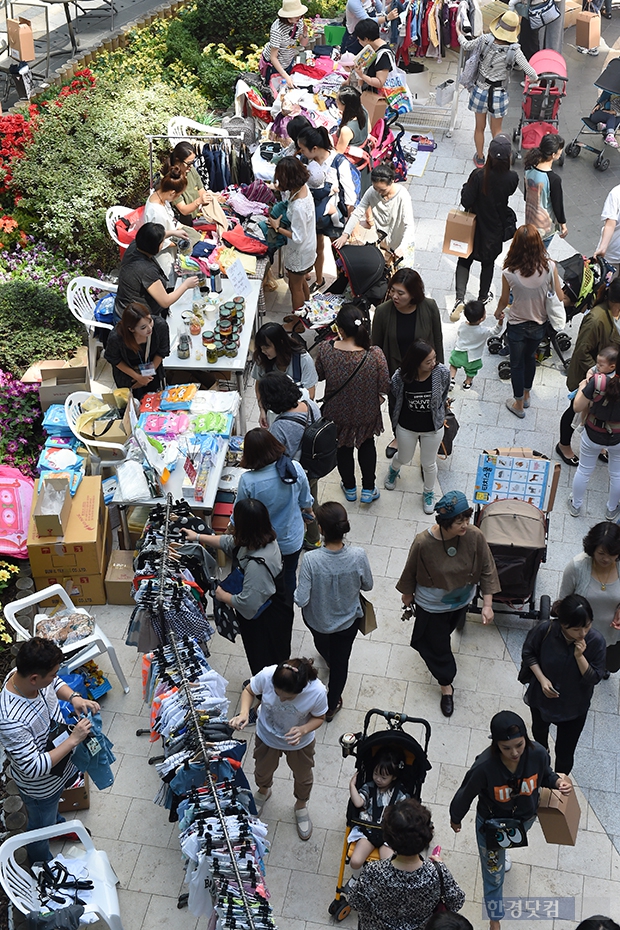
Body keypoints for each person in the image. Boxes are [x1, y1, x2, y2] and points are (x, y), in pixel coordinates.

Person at [449, 710, 572, 930]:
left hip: (524, 819)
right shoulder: (484, 766)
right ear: (495, 744)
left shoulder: (538, 754)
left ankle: (504, 853)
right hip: (492, 826)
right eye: (506, 748)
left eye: (519, 745)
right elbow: (466, 792)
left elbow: (545, 774)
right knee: (493, 875)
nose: (514, 753)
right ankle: (495, 919)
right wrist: (456, 817)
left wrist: (556, 782)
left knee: (503, 853)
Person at [396, 490, 500, 716]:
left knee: (442, 635)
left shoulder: (474, 536)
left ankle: (445, 663)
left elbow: (487, 568)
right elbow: (410, 570)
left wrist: (488, 604)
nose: (464, 525)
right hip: (432, 605)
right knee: (434, 645)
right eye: (458, 521)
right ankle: (446, 684)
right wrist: (407, 594)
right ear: (444, 522)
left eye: (466, 519)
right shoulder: (424, 542)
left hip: (462, 601)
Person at [0, 638, 99, 865]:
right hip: (41, 786)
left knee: (51, 808)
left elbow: (55, 685)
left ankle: (56, 823)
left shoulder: (23, 674)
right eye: (53, 674)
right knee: (39, 825)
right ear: (35, 679)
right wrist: (74, 740)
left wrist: (74, 697)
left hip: (58, 771)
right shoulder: (10, 720)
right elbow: (33, 767)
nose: (56, 677)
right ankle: (41, 860)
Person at [182, 499, 293, 675]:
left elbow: (248, 603)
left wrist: (222, 595)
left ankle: (264, 695)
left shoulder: (258, 565)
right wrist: (197, 537)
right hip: (267, 612)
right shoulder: (261, 538)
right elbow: (228, 542)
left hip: (267, 623)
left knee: (265, 662)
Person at [229, 657, 327, 841]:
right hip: (267, 736)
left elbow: (319, 717)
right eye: (276, 692)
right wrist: (244, 713)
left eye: (288, 697)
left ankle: (300, 805)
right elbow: (249, 690)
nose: (281, 698)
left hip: (300, 743)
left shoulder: (317, 691)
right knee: (262, 769)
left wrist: (303, 729)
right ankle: (264, 790)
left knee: (303, 776)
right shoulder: (267, 674)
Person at [294, 501, 373, 720]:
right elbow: (368, 585)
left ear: (321, 528)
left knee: (322, 643)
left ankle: (327, 657)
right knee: (341, 664)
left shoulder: (311, 560)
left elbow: (301, 599)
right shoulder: (358, 555)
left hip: (318, 621)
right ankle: (330, 706)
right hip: (348, 623)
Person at [348, 797, 465, 930]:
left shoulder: (373, 871)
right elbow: (456, 902)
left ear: (387, 838)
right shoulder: (437, 873)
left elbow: (355, 902)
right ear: (427, 836)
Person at [521, 595, 606, 774]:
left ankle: (559, 784)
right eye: (576, 629)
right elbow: (529, 653)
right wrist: (542, 679)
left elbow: (594, 678)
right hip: (541, 699)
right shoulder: (545, 630)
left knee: (565, 754)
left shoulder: (596, 642)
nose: (583, 633)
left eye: (587, 626)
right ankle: (543, 762)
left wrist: (579, 656)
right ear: (562, 624)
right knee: (539, 735)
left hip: (574, 707)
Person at [316, 302, 390, 503]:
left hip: (336, 412)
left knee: (343, 448)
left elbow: (319, 375)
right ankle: (368, 489)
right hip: (365, 412)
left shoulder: (325, 350)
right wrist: (378, 397)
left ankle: (349, 487)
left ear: (339, 330)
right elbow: (385, 383)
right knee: (367, 445)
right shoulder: (374, 354)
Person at [371, 268, 443, 459]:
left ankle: (425, 442)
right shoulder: (383, 312)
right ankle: (398, 437)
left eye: (400, 293)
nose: (394, 296)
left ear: (413, 293)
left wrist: (441, 372)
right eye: (392, 290)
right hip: (397, 373)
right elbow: (375, 348)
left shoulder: (429, 307)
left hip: (426, 372)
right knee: (397, 407)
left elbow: (437, 339)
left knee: (426, 407)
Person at [494, 224, 564, 419]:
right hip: (539, 325)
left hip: (517, 325)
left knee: (516, 364)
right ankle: (526, 395)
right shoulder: (550, 267)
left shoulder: (509, 272)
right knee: (530, 358)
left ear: (515, 245)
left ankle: (518, 404)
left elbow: (504, 299)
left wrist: (498, 312)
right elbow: (559, 295)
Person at [236, 428, 314, 596]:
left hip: (262, 542)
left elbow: (240, 514)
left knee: (264, 575)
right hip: (292, 539)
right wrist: (309, 514)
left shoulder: (248, 481)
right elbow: (306, 501)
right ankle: (286, 605)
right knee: (289, 574)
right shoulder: (294, 468)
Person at [450, 133, 519, 322]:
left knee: (464, 261)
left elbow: (466, 201)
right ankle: (482, 297)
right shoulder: (512, 178)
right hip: (494, 230)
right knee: (487, 265)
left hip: (472, 229)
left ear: (488, 154)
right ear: (508, 157)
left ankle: (459, 299)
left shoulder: (479, 175)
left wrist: (467, 187)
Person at [457, 10, 537, 168]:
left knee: (479, 127)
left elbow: (466, 45)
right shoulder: (515, 51)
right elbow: (532, 74)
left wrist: (458, 31)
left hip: (480, 90)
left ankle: (480, 158)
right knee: (497, 130)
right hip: (499, 94)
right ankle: (496, 159)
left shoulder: (485, 39)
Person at [557, 279, 620, 467]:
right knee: (574, 410)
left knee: (601, 411)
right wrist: (598, 379)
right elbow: (582, 352)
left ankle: (598, 444)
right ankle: (564, 445)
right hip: (591, 376)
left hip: (609, 376)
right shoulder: (596, 318)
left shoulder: (614, 314)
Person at [256, 370, 322, 550]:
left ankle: (311, 537)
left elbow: (273, 457)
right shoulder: (309, 404)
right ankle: (314, 536)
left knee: (305, 502)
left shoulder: (280, 426)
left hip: (297, 472)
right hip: (315, 463)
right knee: (311, 496)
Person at [384, 339, 450, 514]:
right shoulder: (401, 376)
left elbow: (444, 394)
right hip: (406, 426)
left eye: (434, 359)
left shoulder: (441, 372)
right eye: (428, 361)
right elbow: (395, 396)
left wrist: (439, 414)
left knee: (429, 463)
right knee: (404, 457)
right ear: (416, 362)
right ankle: (394, 469)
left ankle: (428, 492)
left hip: (432, 428)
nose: (433, 364)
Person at [297, 124, 359, 290]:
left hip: (334, 216)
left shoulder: (338, 162)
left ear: (314, 148)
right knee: (317, 247)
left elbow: (349, 194)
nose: (301, 152)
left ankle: (343, 283)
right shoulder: (306, 160)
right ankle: (319, 280)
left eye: (303, 149)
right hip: (314, 213)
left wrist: (350, 223)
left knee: (338, 250)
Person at [560, 522, 620, 672]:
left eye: (612, 554)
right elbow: (562, 603)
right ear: (592, 549)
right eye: (601, 553)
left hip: (612, 635)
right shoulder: (577, 567)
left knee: (610, 665)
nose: (606, 559)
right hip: (580, 635)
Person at [114, 222, 199, 321]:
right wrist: (186, 285)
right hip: (134, 319)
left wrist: (173, 233)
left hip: (124, 306)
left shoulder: (136, 245)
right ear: (157, 247)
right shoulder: (146, 270)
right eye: (162, 242)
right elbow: (165, 301)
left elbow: (150, 237)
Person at [569, 357, 620, 519]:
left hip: (593, 433)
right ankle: (611, 508)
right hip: (617, 437)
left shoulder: (599, 381)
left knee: (584, 470)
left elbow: (577, 406)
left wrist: (583, 386)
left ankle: (576, 505)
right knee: (617, 473)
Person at [334, 164, 416, 259]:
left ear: (392, 181)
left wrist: (402, 247)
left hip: (402, 244)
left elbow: (409, 225)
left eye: (383, 190)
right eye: (376, 188)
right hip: (384, 244)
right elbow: (357, 213)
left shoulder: (403, 196)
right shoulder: (372, 192)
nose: (379, 193)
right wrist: (345, 234)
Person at [347, 748, 409, 871]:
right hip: (368, 831)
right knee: (354, 861)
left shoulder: (400, 795)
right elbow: (358, 802)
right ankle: (358, 879)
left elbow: (406, 813)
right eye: (376, 774)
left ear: (394, 777)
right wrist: (352, 786)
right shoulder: (369, 787)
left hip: (389, 836)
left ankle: (381, 885)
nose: (378, 779)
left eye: (384, 777)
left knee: (390, 867)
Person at [268, 156, 317, 312]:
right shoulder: (303, 189)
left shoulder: (298, 207)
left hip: (300, 251)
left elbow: (297, 236)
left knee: (294, 287)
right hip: (307, 246)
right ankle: (306, 314)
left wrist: (277, 227)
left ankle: (298, 323)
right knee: (301, 282)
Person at [252, 322, 318, 419]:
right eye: (261, 347)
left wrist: (287, 419)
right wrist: (262, 410)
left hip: (298, 415)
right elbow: (259, 385)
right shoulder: (262, 358)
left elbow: (310, 394)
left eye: (267, 347)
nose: (263, 351)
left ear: (280, 343)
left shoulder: (303, 359)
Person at [104, 301, 169, 399]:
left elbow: (161, 352)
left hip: (152, 370)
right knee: (132, 404)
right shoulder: (117, 337)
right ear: (131, 329)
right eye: (143, 327)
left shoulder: (160, 325)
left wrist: (146, 377)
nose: (149, 328)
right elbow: (114, 359)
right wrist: (137, 377)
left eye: (150, 321)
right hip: (128, 375)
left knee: (156, 401)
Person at [144, 166, 200, 280]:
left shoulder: (159, 196)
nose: (178, 198)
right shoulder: (156, 212)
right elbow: (159, 241)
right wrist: (181, 242)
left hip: (170, 242)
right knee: (169, 281)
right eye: (179, 195)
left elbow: (171, 220)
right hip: (162, 254)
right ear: (172, 193)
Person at [524, 134, 568, 248]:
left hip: (530, 221)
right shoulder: (553, 179)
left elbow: (526, 196)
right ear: (553, 155)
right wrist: (563, 225)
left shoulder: (528, 168)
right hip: (545, 227)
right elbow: (557, 205)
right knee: (540, 256)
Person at [449, 300, 502, 390]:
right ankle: (467, 383)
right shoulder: (484, 331)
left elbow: (459, 333)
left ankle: (451, 379)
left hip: (459, 352)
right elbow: (496, 331)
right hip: (473, 357)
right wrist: (501, 320)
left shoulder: (462, 325)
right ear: (481, 319)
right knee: (471, 371)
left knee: (453, 365)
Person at [260, 0, 308, 88]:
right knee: (275, 92)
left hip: (288, 60)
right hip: (275, 66)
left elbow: (303, 43)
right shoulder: (277, 30)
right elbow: (273, 57)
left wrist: (305, 33)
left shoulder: (299, 20)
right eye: (297, 15)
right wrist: (286, 76)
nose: (300, 17)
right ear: (288, 16)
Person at [162, 141, 211, 223]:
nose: (191, 166)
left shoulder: (191, 170)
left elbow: (201, 190)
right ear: (178, 160)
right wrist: (199, 201)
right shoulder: (172, 180)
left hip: (198, 217)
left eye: (193, 162)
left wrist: (209, 198)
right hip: (183, 223)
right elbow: (183, 209)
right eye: (188, 163)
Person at [334, 86, 370, 194]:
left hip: (353, 165)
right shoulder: (363, 110)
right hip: (364, 161)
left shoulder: (346, 130)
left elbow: (338, 154)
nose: (336, 102)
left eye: (338, 101)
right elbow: (369, 130)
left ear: (345, 105)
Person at [353, 18, 394, 94]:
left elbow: (380, 82)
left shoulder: (383, 55)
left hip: (380, 98)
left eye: (359, 40)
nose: (359, 42)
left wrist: (361, 75)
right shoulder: (373, 49)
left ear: (366, 39)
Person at [594, 183, 620, 268]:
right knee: (607, 280)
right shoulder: (616, 193)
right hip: (612, 255)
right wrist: (603, 247)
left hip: (612, 253)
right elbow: (610, 224)